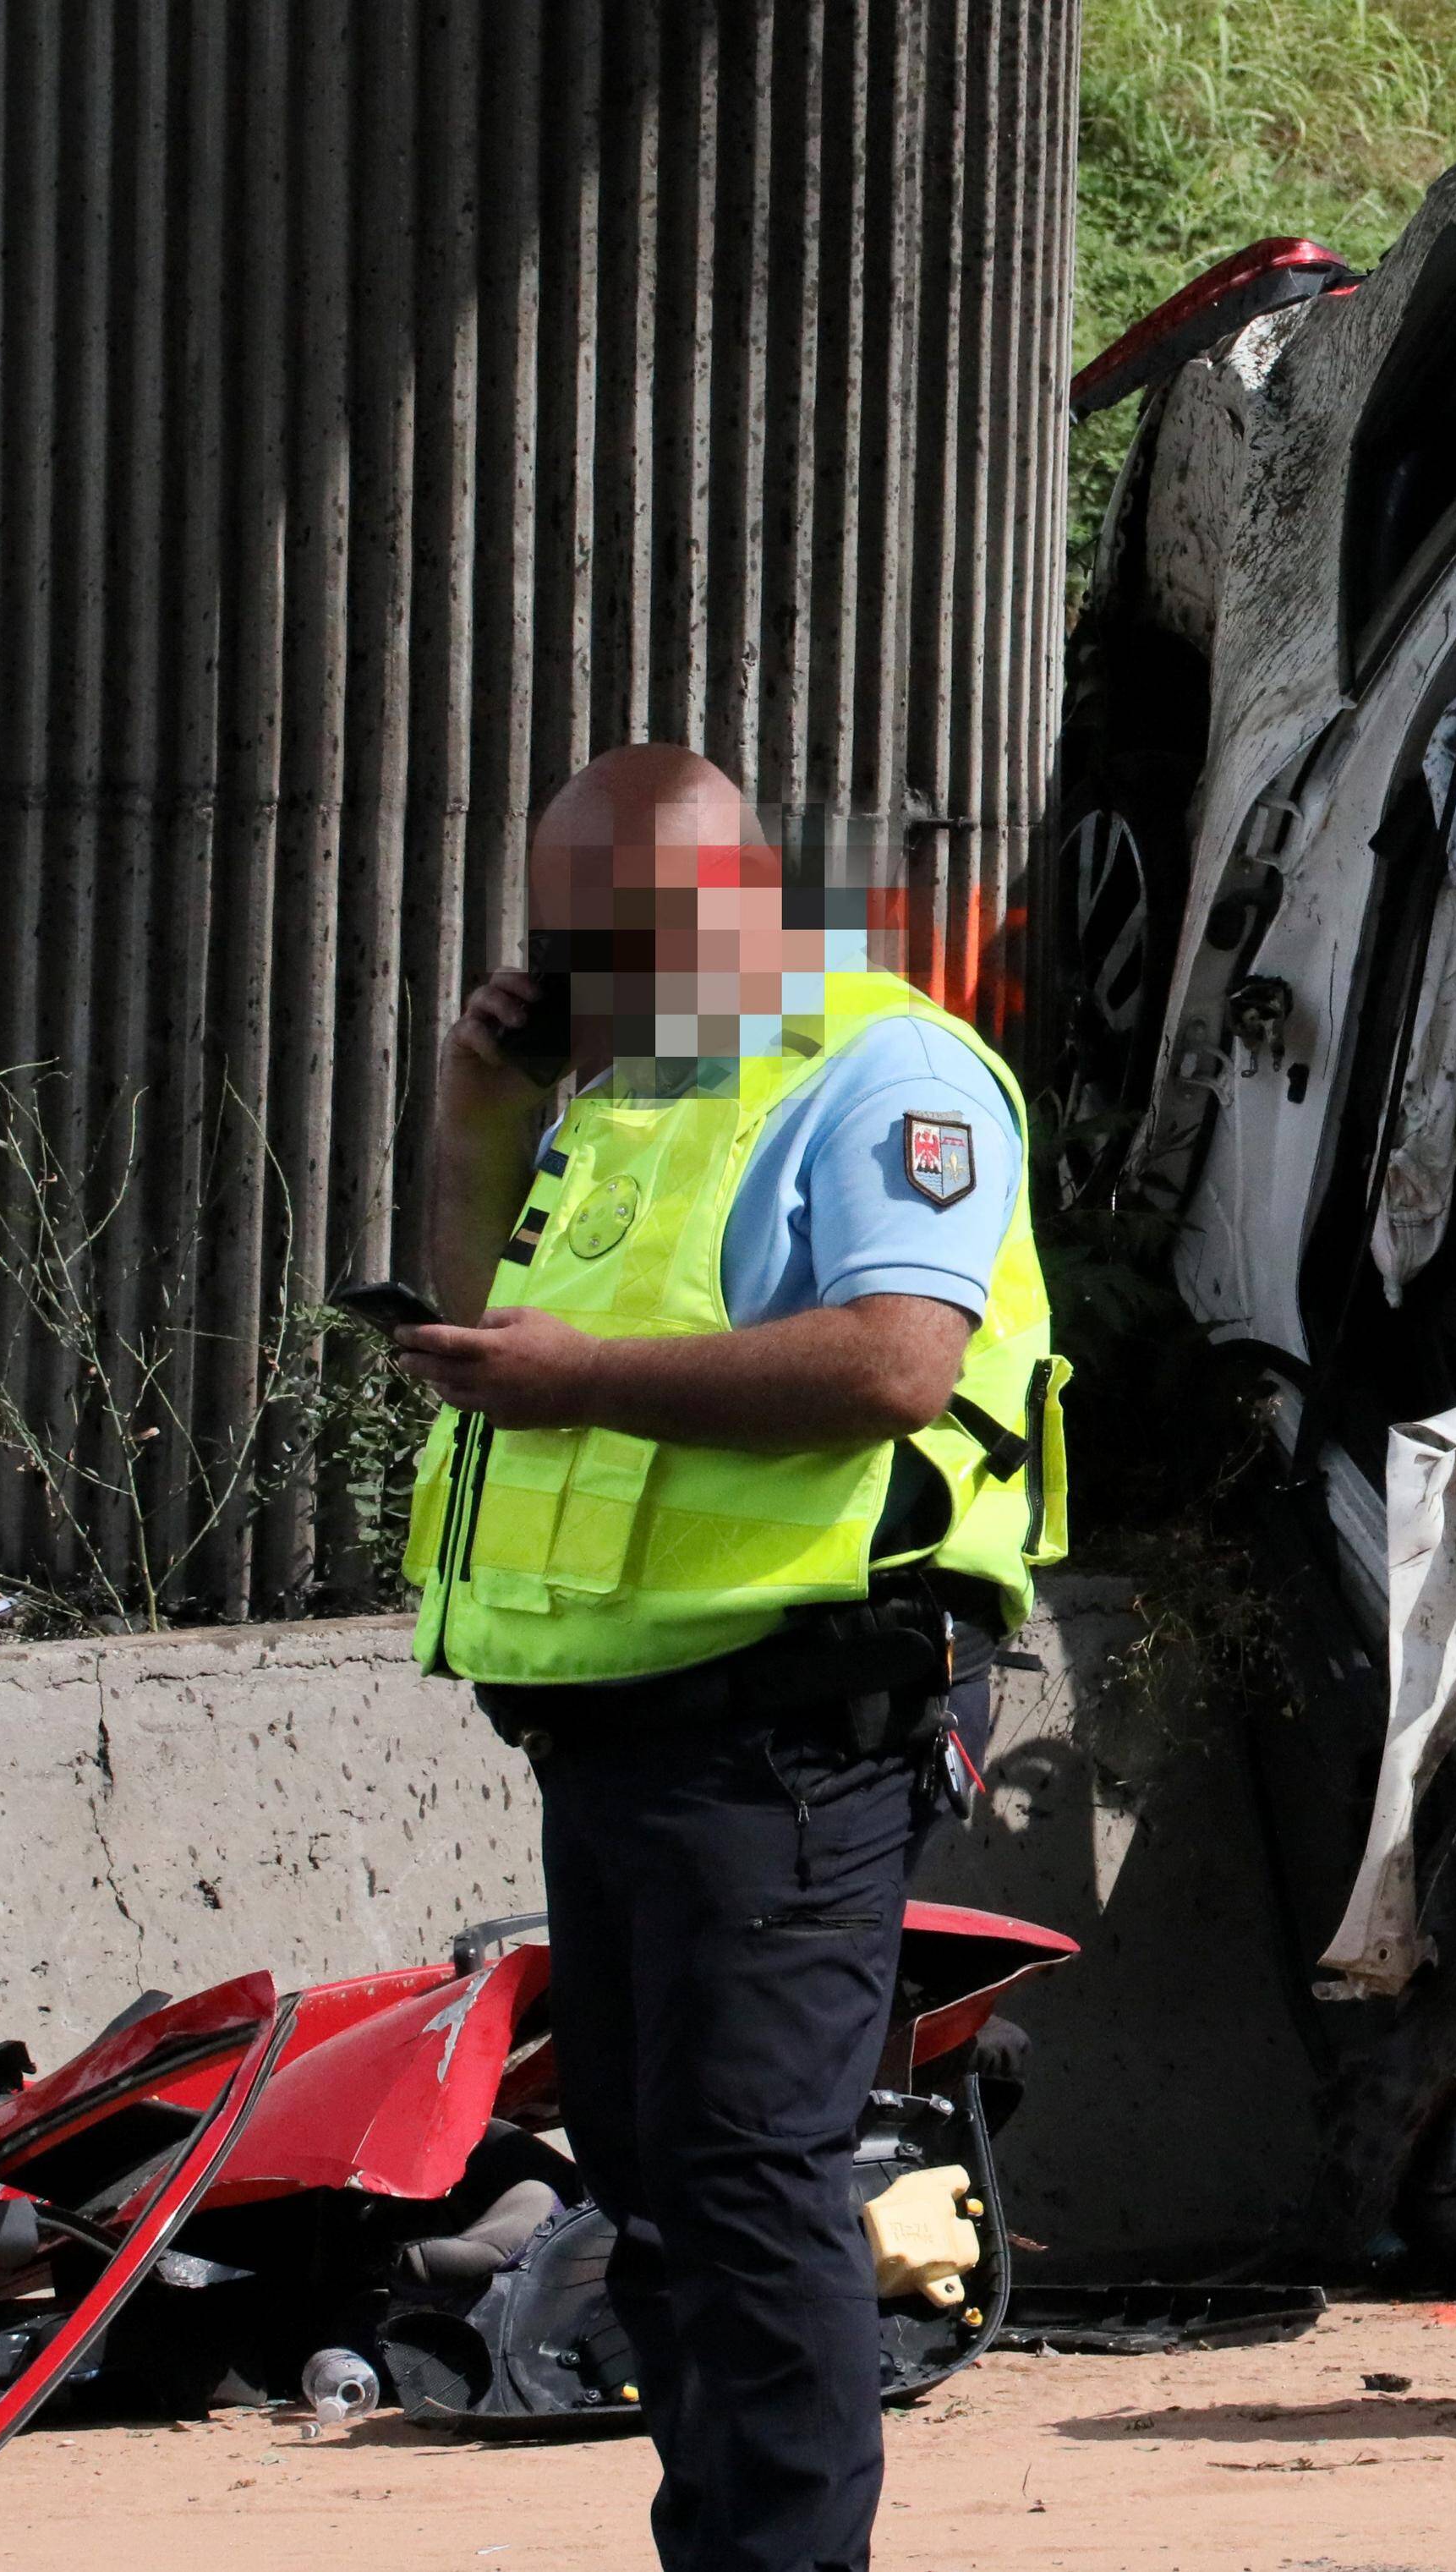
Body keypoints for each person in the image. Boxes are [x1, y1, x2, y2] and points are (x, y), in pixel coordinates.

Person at [386, 742, 1064, 2572]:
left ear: (736, 904)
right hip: (620, 1724)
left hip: (793, 1718)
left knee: (748, 2180)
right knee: (656, 2180)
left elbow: (897, 1363)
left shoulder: (886, 1068)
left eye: (615, 941)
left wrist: (586, 1377)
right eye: (561, 938)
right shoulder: (638, 1094)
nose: (578, 976)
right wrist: (479, 1110)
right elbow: (495, 1336)